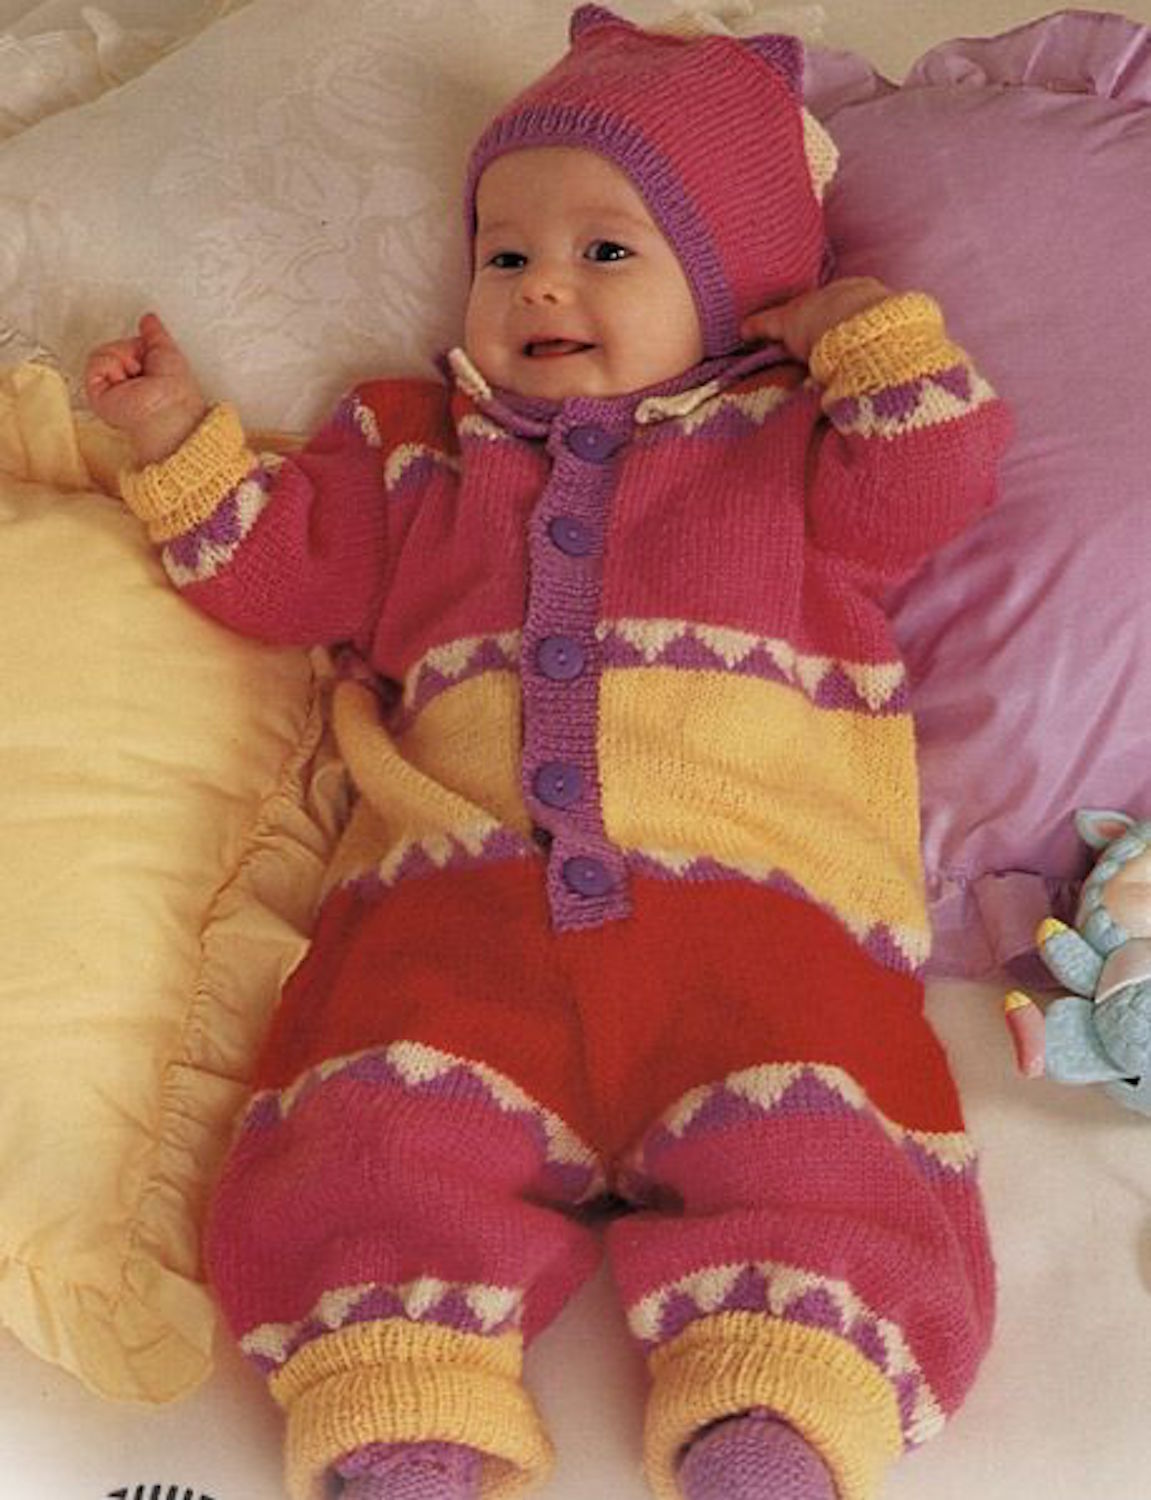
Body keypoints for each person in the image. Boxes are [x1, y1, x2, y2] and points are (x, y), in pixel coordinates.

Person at [85, 8, 1011, 1500]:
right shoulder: (418, 449)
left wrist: (860, 331)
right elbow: (282, 577)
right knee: (364, 1143)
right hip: (454, 927)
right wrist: (176, 436)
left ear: (733, 287)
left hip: (760, 935)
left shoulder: (790, 449)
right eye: (504, 253)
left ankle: (773, 1415)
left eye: (607, 250)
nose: (542, 286)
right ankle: (405, 1413)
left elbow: (935, 476)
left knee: (826, 1147)